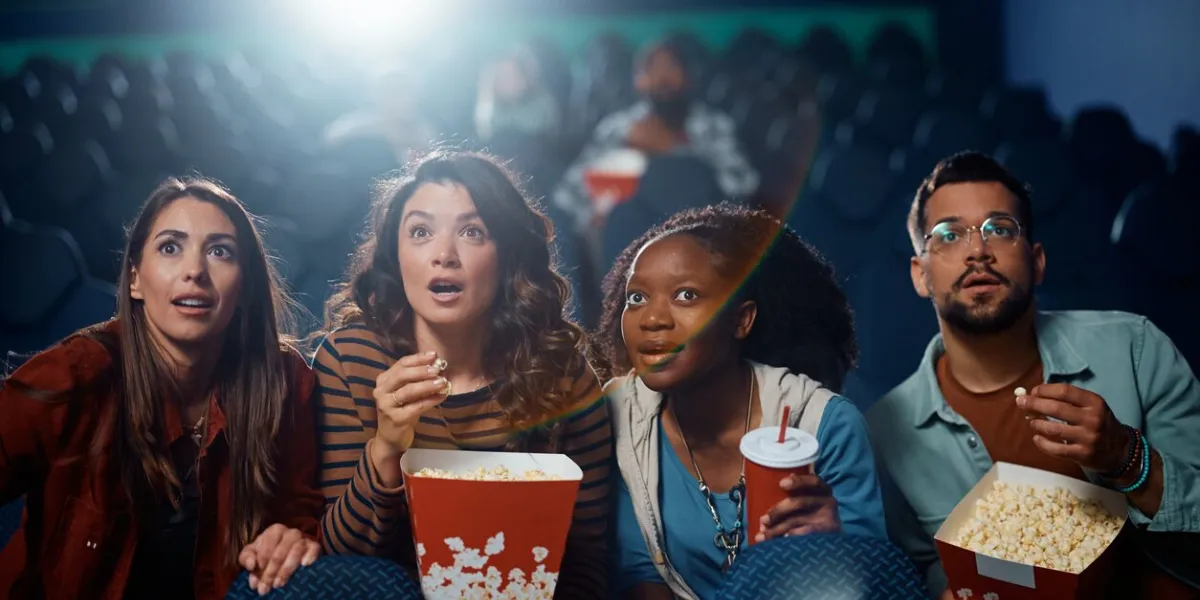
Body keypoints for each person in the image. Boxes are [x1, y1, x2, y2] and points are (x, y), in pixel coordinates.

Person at [866, 152, 1200, 599]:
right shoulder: (885, 432)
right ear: (920, 274)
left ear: (1037, 260)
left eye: (999, 229)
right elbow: (920, 563)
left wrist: (1126, 457)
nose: (977, 250)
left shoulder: (1135, 347)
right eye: (949, 235)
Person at [0, 177, 323, 599]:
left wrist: (293, 538)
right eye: (171, 247)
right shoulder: (77, 374)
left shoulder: (284, 380)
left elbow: (300, 515)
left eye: (220, 251)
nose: (194, 271)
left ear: (244, 287)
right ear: (135, 279)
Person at [313, 151, 613, 597]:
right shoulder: (350, 359)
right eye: (420, 232)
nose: (444, 255)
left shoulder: (561, 371)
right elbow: (340, 563)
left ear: (507, 256)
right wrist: (387, 448)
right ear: (396, 255)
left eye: (473, 232)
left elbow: (589, 558)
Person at [596, 203, 886, 600]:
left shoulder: (828, 425)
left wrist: (836, 548)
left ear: (741, 320)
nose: (652, 319)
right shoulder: (620, 415)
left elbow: (874, 585)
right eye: (637, 297)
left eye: (686, 295)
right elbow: (639, 569)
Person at [552, 40, 759, 231]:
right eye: (651, 68)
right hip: (627, 236)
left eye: (671, 67)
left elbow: (743, 186)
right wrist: (593, 215)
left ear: (687, 77)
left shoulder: (713, 124)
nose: (662, 77)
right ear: (637, 81)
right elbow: (568, 194)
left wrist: (673, 148)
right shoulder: (617, 128)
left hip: (699, 233)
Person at [475, 46, 561, 142]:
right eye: (502, 76)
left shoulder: (542, 108)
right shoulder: (487, 111)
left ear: (526, 77)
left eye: (513, 74)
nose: (508, 82)